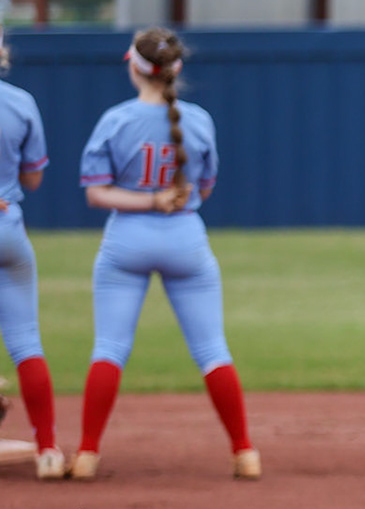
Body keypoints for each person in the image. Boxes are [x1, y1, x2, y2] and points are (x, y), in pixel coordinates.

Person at [75, 27, 258, 481]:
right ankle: (245, 453)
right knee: (213, 350)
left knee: (109, 349)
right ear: (176, 69)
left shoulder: (116, 120)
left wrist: (146, 201)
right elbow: (206, 186)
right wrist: (167, 202)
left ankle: (86, 455)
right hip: (184, 237)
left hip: (127, 240)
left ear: (134, 67)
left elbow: (96, 194)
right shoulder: (198, 120)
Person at [0, 26, 62, 479]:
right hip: (9, 231)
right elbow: (34, 179)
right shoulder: (20, 102)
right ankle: (48, 450)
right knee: (26, 344)